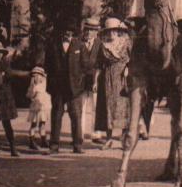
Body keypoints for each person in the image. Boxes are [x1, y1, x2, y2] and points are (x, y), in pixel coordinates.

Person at [45, 19, 99, 154]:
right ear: (61, 33)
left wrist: (83, 81)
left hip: (75, 88)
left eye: (70, 32)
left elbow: (87, 66)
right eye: (64, 32)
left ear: (73, 33)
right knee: (56, 115)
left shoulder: (79, 46)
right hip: (58, 87)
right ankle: (54, 145)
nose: (67, 35)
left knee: (76, 116)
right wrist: (51, 84)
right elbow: (48, 66)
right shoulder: (53, 46)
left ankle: (77, 145)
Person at [93, 18, 131, 150]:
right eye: (109, 31)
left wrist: (128, 68)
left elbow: (133, 59)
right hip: (107, 78)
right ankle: (109, 139)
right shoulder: (103, 45)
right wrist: (95, 81)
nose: (111, 34)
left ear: (118, 31)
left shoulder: (126, 43)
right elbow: (98, 64)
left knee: (124, 106)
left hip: (122, 78)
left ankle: (124, 139)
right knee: (108, 107)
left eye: (114, 31)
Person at [0, 41, 27, 157]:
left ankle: (12, 147)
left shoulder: (5, 64)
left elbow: (10, 75)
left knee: (7, 123)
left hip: (4, 97)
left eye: (0, 53)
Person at [26, 67, 51, 150]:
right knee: (33, 124)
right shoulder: (33, 86)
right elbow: (30, 95)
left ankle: (43, 139)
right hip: (36, 107)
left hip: (44, 106)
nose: (36, 77)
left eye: (38, 75)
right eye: (34, 76)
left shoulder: (45, 83)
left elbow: (48, 93)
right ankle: (31, 140)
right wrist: (33, 89)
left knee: (42, 123)